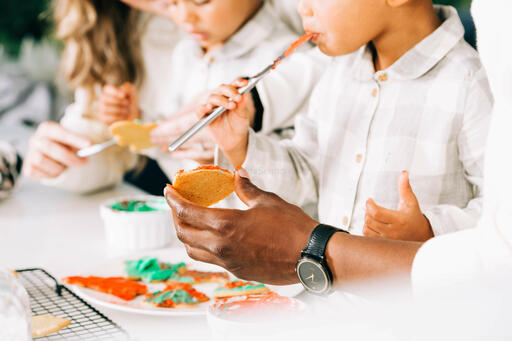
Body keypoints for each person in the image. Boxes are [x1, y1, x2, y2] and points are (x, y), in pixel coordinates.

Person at [163, 0, 502, 290]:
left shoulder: (474, 84)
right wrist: (240, 144)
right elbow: (306, 179)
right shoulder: (338, 73)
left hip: (412, 313)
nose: (303, 9)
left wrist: (429, 229)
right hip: (328, 301)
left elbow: (498, 221)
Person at [23, 0, 325, 200]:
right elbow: (171, 134)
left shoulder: (287, 52)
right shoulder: (188, 50)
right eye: (175, 3)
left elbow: (299, 174)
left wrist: (236, 149)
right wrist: (137, 124)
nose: (181, 16)